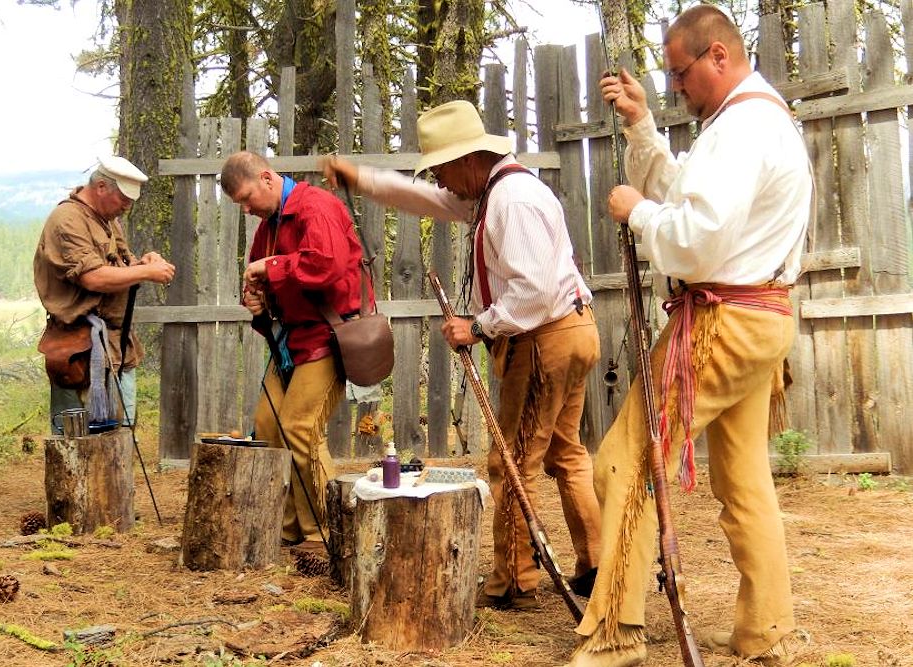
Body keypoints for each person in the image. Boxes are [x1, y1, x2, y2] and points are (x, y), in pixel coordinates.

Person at [568, 6, 812, 666]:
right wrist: (641, 125)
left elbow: (694, 240)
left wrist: (636, 211)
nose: (677, 86)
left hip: (722, 321)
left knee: (626, 459)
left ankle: (615, 633)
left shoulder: (740, 130)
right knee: (745, 480)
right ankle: (769, 632)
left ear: (719, 58)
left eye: (681, 73)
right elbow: (696, 199)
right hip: (761, 318)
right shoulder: (758, 120)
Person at [322, 100, 602, 610]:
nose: (441, 181)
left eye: (443, 169)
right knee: (565, 453)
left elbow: (533, 293)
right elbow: (425, 199)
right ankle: (596, 562)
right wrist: (361, 178)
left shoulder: (510, 200)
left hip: (545, 339)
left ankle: (515, 580)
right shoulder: (492, 190)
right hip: (572, 329)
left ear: (468, 159)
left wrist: (477, 326)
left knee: (512, 462)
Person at [220, 150, 367, 548]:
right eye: (240, 205)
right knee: (268, 428)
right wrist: (256, 299)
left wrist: (272, 269)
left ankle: (325, 533)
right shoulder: (268, 224)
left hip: (327, 334)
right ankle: (289, 530)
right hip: (289, 340)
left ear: (267, 179)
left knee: (298, 428)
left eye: (248, 198)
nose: (247, 209)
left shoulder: (315, 207)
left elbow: (326, 267)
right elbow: (260, 280)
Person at [34, 156, 175, 433]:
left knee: (120, 436)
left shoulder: (109, 221)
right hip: (78, 350)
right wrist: (146, 274)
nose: (127, 206)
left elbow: (119, 269)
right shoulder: (67, 220)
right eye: (123, 198)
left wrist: (142, 263)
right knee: (75, 442)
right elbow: (94, 278)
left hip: (116, 345)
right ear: (101, 187)